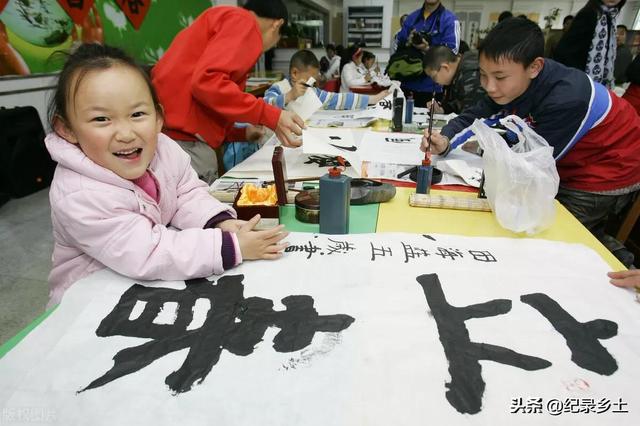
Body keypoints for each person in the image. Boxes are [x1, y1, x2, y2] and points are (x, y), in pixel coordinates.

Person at [45, 43, 289, 307]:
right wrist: (230, 247)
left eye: (137, 114)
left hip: (142, 288)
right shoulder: (79, 193)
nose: (126, 133)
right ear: (67, 129)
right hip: (91, 304)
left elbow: (186, 193)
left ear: (159, 117)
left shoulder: (163, 148)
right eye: (102, 120)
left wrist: (219, 223)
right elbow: (148, 251)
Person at [421, 18, 640, 266]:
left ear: (534, 67)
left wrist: (492, 150)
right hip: (568, 160)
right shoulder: (515, 81)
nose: (490, 86)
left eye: (499, 77)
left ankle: (618, 259)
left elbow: (535, 164)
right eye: (483, 75)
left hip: (607, 170)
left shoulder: (567, 98)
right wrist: (446, 139)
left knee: (550, 235)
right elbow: (478, 113)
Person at [152, 0, 304, 184]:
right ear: (277, 24)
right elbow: (208, 82)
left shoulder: (224, 18)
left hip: (172, 137)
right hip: (188, 147)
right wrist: (271, 115)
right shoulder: (244, 23)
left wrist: (240, 133)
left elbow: (206, 99)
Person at [265, 49, 389, 111]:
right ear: (294, 73)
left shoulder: (312, 91)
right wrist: (289, 96)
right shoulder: (279, 88)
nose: (312, 84)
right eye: (309, 79)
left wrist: (373, 99)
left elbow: (338, 99)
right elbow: (264, 106)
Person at [395, 0, 460, 107]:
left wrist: (427, 49)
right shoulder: (411, 19)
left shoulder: (449, 20)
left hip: (432, 86)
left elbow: (451, 53)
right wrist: (409, 43)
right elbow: (397, 46)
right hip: (407, 84)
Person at [553, 0, 627, 88]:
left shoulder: (610, 16)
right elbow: (564, 52)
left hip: (594, 83)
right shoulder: (589, 13)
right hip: (578, 82)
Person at [422, 45, 484, 114]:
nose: (435, 82)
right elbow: (460, 102)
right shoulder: (459, 70)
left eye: (434, 77)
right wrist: (442, 110)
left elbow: (471, 116)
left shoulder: (469, 76)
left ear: (445, 67)